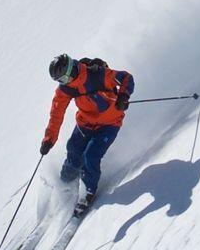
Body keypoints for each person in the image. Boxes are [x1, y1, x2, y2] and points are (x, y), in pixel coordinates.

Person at [41, 53, 133, 215]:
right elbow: (56, 114)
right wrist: (49, 139)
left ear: (70, 71)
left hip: (109, 124)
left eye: (63, 79)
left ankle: (88, 190)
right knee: (74, 149)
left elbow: (126, 78)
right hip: (86, 122)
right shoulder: (66, 89)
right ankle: (67, 181)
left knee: (91, 155)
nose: (63, 84)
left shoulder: (98, 75)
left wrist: (123, 96)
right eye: (59, 81)